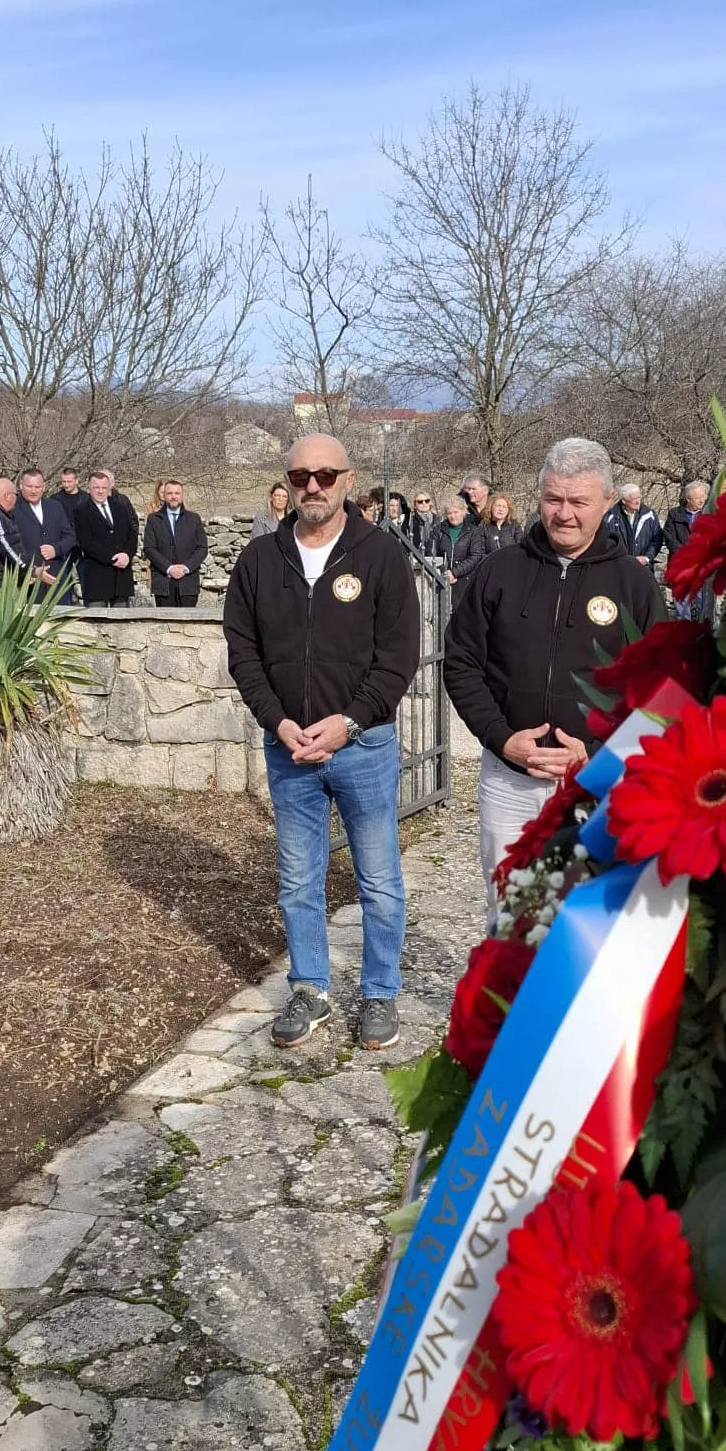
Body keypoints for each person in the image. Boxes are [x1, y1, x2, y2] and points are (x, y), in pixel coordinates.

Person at [224, 433, 420, 1054]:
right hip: (289, 750)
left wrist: (349, 722)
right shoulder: (259, 560)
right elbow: (243, 653)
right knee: (298, 882)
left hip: (363, 748)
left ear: (347, 479)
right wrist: (278, 721)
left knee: (379, 880)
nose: (313, 486)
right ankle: (310, 989)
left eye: (326, 475)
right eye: (301, 476)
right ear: (287, 482)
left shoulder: (381, 556)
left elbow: (398, 659)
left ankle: (380, 992)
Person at [444, 436, 663, 905]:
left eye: (578, 502)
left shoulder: (634, 584)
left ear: (607, 501)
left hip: (598, 786)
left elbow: (662, 694)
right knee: (511, 916)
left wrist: (598, 755)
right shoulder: (500, 570)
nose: (564, 514)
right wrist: (500, 737)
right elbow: (461, 661)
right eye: (553, 499)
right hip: (509, 781)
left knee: (586, 922)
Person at [74, 469, 140, 605]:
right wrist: (112, 558)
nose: (100, 491)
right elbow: (86, 542)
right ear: (89, 488)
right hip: (97, 577)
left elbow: (132, 534)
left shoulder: (120, 507)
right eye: (96, 487)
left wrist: (127, 555)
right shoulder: (81, 511)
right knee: (97, 616)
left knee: (121, 617)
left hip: (121, 577)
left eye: (104, 488)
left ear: (109, 488)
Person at [12, 468, 76, 600]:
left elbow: (70, 536)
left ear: (44, 487)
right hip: (29, 580)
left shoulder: (55, 506)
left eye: (37, 487)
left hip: (56, 578)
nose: (34, 491)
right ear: (21, 485)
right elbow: (11, 545)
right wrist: (29, 571)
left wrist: (56, 549)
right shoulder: (13, 509)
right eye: (29, 486)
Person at [143, 480, 209, 606]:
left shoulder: (193, 519)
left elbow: (202, 548)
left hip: (188, 584)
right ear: (164, 496)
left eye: (177, 493)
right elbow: (149, 548)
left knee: (189, 619)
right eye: (170, 493)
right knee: (165, 619)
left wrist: (185, 568)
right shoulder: (154, 519)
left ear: (182, 496)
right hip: (163, 583)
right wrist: (169, 568)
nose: (173, 496)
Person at [661, 481, 713, 621]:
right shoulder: (675, 514)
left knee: (703, 603)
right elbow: (669, 538)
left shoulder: (709, 513)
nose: (702, 500)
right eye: (697, 498)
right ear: (688, 499)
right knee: (682, 604)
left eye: (703, 496)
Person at [434, 495, 486, 605]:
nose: (453, 516)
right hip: (441, 578)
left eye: (456, 512)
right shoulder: (438, 530)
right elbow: (431, 553)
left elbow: (476, 556)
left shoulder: (474, 531)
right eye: (449, 513)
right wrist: (443, 573)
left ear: (463, 512)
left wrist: (454, 572)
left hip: (465, 580)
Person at [607, 482, 663, 568]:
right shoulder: (611, 517)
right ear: (624, 501)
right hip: (618, 567)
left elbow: (657, 538)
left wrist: (647, 557)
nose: (638, 502)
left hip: (644, 568)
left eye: (639, 497)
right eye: (634, 499)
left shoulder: (649, 515)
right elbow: (606, 542)